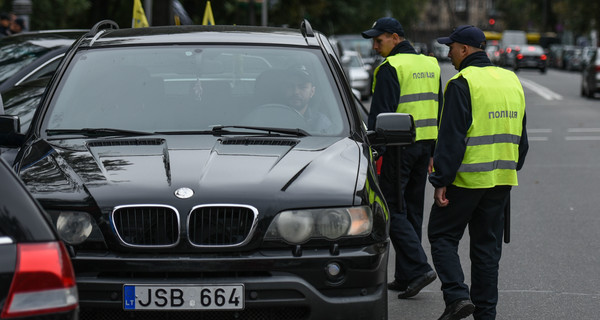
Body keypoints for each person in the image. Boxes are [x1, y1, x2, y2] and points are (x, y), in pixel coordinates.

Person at [428, 25, 528, 320]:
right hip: (501, 180)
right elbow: (522, 138)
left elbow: (451, 138)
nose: (449, 53)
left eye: (451, 48)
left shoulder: (462, 82)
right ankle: (486, 313)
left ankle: (457, 296)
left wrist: (441, 180)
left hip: (466, 179)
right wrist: (511, 166)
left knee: (442, 235)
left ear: (465, 49)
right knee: (486, 249)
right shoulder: (511, 80)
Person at [361, 17, 442, 299]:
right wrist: (433, 150)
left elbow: (380, 117)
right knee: (412, 210)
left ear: (396, 38)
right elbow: (437, 108)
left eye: (379, 39)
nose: (374, 45)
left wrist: (373, 151)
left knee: (392, 210)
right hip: (424, 147)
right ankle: (407, 275)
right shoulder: (430, 65)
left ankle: (419, 269)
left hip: (398, 148)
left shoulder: (390, 68)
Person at [282, 68, 332, 133]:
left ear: (312, 92)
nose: (296, 92)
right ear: (284, 89)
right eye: (290, 86)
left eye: (302, 87)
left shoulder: (320, 123)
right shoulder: (271, 117)